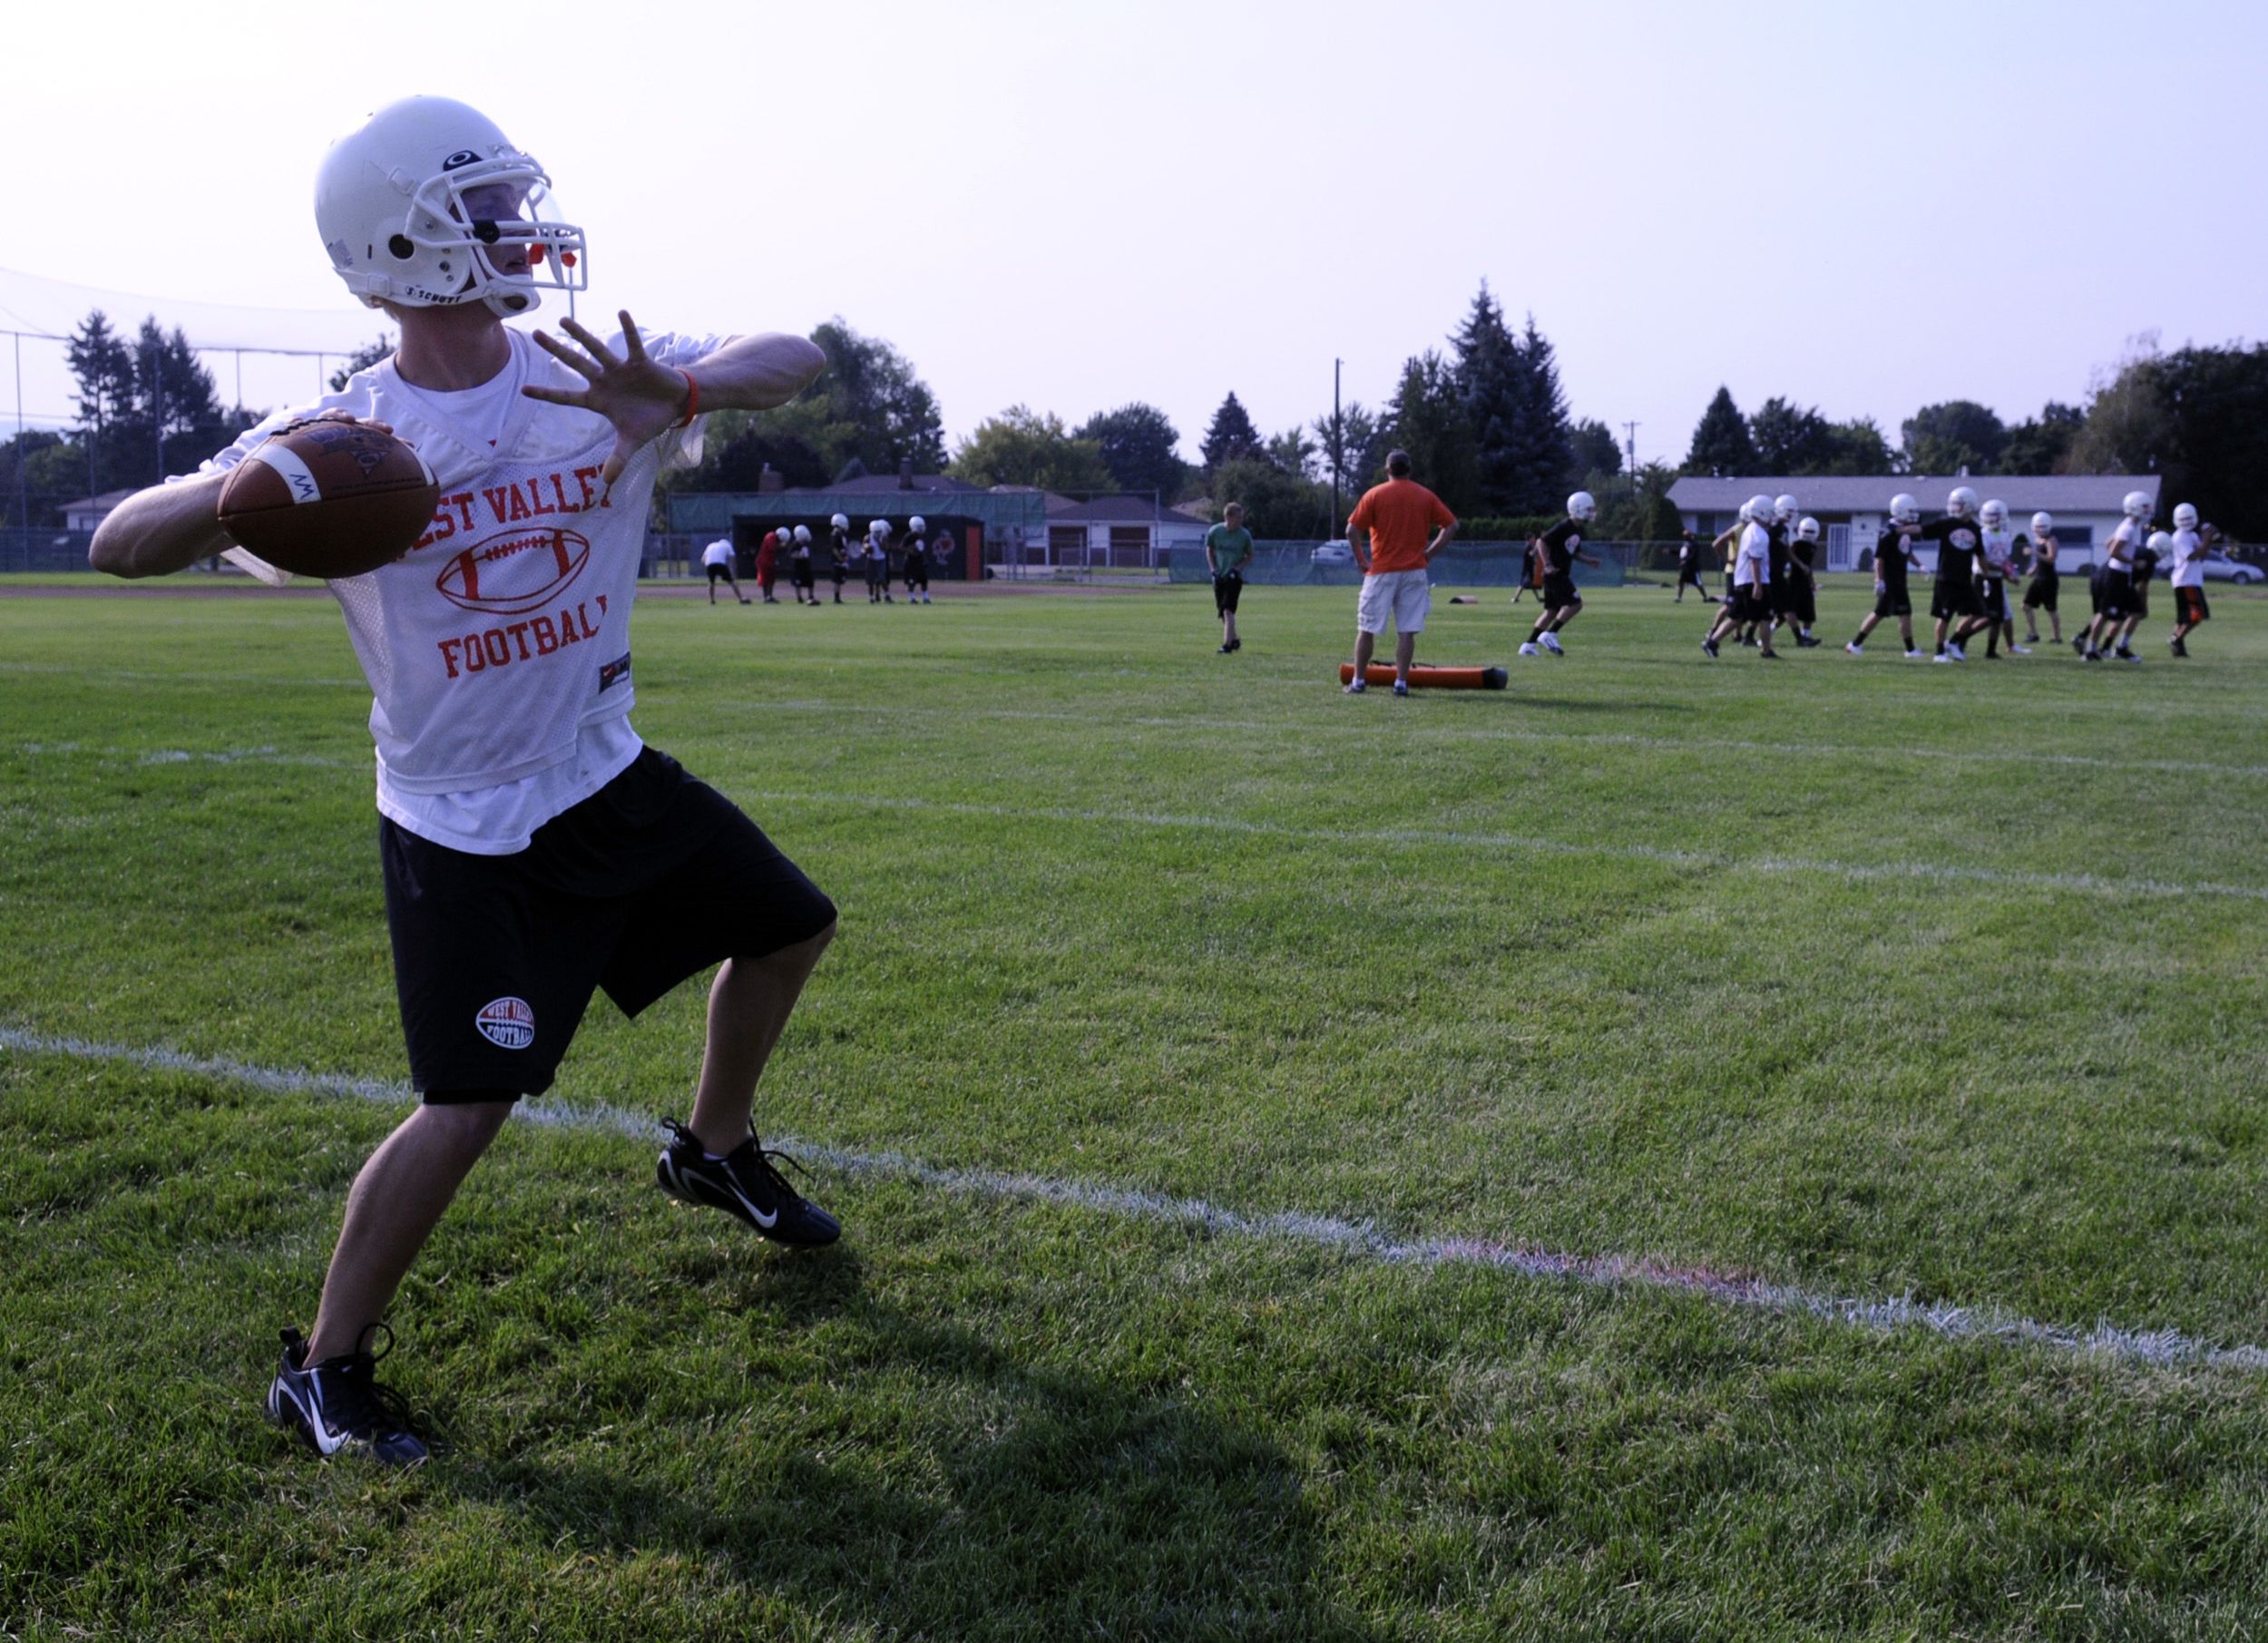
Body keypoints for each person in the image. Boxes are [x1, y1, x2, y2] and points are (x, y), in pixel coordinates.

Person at [90, 97, 844, 1465]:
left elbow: (796, 354)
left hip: (601, 767)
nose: (520, 228)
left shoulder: (582, 369)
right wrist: (251, 488)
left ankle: (712, 1146)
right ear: (410, 240)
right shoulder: (342, 433)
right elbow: (121, 544)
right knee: (471, 1101)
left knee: (791, 921)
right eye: (487, 208)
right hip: (461, 821)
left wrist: (681, 393)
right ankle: (322, 1370)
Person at [1343, 449, 1455, 695]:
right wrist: (1429, 553)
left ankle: (1359, 681)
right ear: (1409, 469)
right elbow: (1451, 525)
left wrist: (1362, 561)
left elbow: (1352, 530)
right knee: (1407, 630)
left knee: (1367, 628)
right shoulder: (1425, 496)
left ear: (1387, 470)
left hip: (1381, 571)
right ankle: (1401, 683)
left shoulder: (1374, 494)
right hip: (1414, 570)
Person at [1520, 492, 1601, 656]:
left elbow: (1574, 553)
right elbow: (1542, 542)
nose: (1591, 512)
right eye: (1588, 509)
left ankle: (1528, 645)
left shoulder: (1577, 529)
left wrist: (1589, 560)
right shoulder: (1565, 526)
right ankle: (1550, 634)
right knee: (1575, 604)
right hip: (1555, 573)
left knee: (1551, 612)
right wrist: (1548, 564)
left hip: (1557, 573)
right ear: (1578, 508)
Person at [1845, 494, 1923, 657]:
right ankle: (1909, 650)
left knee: (1884, 613)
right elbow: (1879, 559)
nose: (1913, 514)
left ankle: (1855, 644)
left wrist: (1919, 565)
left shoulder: (1904, 530)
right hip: (1891, 580)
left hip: (1899, 578)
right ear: (1900, 511)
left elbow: (1906, 552)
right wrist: (1879, 580)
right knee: (1901, 613)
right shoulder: (1888, 532)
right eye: (1910, 511)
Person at [2077, 491, 2153, 661]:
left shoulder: (2129, 525)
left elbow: (2107, 543)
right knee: (2104, 614)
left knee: (2136, 610)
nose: (2148, 511)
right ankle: (2091, 651)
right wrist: (2134, 563)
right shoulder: (2127, 527)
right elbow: (2113, 551)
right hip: (2115, 576)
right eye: (2145, 507)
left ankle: (2121, 648)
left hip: (2122, 575)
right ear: (2135, 508)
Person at [1920, 485, 1991, 661]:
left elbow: (1980, 555)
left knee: (1978, 612)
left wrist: (1987, 577)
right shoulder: (1946, 524)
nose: (1954, 507)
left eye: (1958, 504)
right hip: (1946, 579)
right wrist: (1899, 529)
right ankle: (1939, 653)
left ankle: (1954, 641)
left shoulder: (1975, 529)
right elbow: (1921, 530)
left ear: (1968, 506)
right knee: (1945, 617)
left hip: (1964, 580)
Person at [1703, 494, 1779, 659]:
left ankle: (1712, 642)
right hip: (1753, 581)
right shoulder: (1758, 534)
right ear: (1762, 512)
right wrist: (1758, 585)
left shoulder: (1751, 529)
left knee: (1738, 617)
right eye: (1770, 512)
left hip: (1745, 580)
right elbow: (1755, 561)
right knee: (1765, 616)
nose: (1773, 516)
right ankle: (1766, 651)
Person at [1974, 500, 2027, 657]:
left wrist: (2009, 575)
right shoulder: (1983, 535)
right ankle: (1958, 639)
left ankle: (1997, 649)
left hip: (1997, 579)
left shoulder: (2004, 535)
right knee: (1988, 616)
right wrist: (2003, 570)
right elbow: (1983, 561)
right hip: (1984, 578)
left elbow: (2003, 560)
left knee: (2002, 615)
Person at [1206, 502, 1255, 651]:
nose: (1241, 521)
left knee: (1228, 610)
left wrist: (1237, 568)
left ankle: (1227, 645)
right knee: (1222, 612)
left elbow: (1250, 555)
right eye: (1238, 517)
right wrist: (1213, 570)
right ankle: (1234, 640)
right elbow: (1210, 550)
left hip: (1234, 578)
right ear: (1228, 517)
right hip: (1220, 576)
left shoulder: (1244, 535)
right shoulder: (1215, 531)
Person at [2166, 504, 2213, 657]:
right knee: (2196, 616)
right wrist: (2206, 537)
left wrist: (2209, 539)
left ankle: (2177, 646)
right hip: (2186, 580)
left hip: (2192, 580)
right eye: (2183, 519)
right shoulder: (2180, 536)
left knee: (2184, 617)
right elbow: (2192, 555)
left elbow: (2203, 554)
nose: (2186, 522)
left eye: (2188, 518)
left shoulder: (2192, 535)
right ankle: (2176, 639)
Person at [2020, 511, 2061, 646]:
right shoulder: (2038, 540)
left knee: (2051, 609)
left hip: (2049, 580)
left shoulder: (2051, 540)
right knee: (2026, 606)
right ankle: (2033, 634)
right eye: (2038, 527)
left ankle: (2056, 637)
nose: (2040, 530)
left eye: (2042, 526)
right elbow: (2040, 561)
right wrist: (2033, 569)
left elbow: (2051, 559)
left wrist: (2034, 552)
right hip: (2039, 578)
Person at [700, 536, 748, 605]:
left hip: (709, 564)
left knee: (711, 583)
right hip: (720, 564)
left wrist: (709, 566)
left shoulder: (711, 545)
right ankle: (741, 599)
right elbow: (732, 558)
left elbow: (703, 559)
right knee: (731, 582)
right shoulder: (727, 545)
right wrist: (733, 572)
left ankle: (712, 600)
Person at [903, 513, 934, 604]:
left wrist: (924, 559)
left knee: (924, 581)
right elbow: (902, 547)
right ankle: (912, 598)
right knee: (912, 582)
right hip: (911, 562)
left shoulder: (921, 536)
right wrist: (910, 549)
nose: (922, 528)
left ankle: (925, 598)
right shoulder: (909, 536)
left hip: (920, 562)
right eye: (920, 526)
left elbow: (922, 549)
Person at [1673, 528, 1708, 601]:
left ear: (1690, 535)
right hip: (1685, 568)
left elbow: (1693, 555)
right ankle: (1679, 597)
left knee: (1698, 583)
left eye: (1686, 535)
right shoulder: (1685, 543)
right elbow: (1681, 552)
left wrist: (1685, 561)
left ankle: (1705, 597)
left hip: (1693, 568)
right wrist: (1670, 551)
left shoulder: (1694, 544)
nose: (1685, 537)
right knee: (1681, 581)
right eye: (1684, 535)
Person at [793, 520, 821, 605]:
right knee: (798, 583)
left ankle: (811, 596)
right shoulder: (796, 544)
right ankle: (799, 597)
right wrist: (799, 555)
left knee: (810, 582)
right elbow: (791, 554)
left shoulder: (806, 543)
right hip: (798, 567)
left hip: (807, 566)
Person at [863, 520, 891, 603]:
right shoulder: (867, 538)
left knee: (882, 578)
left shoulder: (883, 537)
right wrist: (866, 548)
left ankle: (887, 595)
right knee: (870, 580)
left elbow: (885, 548)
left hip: (881, 559)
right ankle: (871, 597)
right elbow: (863, 548)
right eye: (876, 532)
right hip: (871, 560)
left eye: (879, 532)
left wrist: (879, 542)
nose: (878, 534)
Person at [754, 527, 779, 603]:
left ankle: (768, 597)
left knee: (770, 580)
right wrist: (781, 545)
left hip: (767, 561)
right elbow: (772, 547)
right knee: (766, 580)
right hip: (765, 562)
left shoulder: (770, 536)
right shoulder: (771, 536)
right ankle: (767, 597)